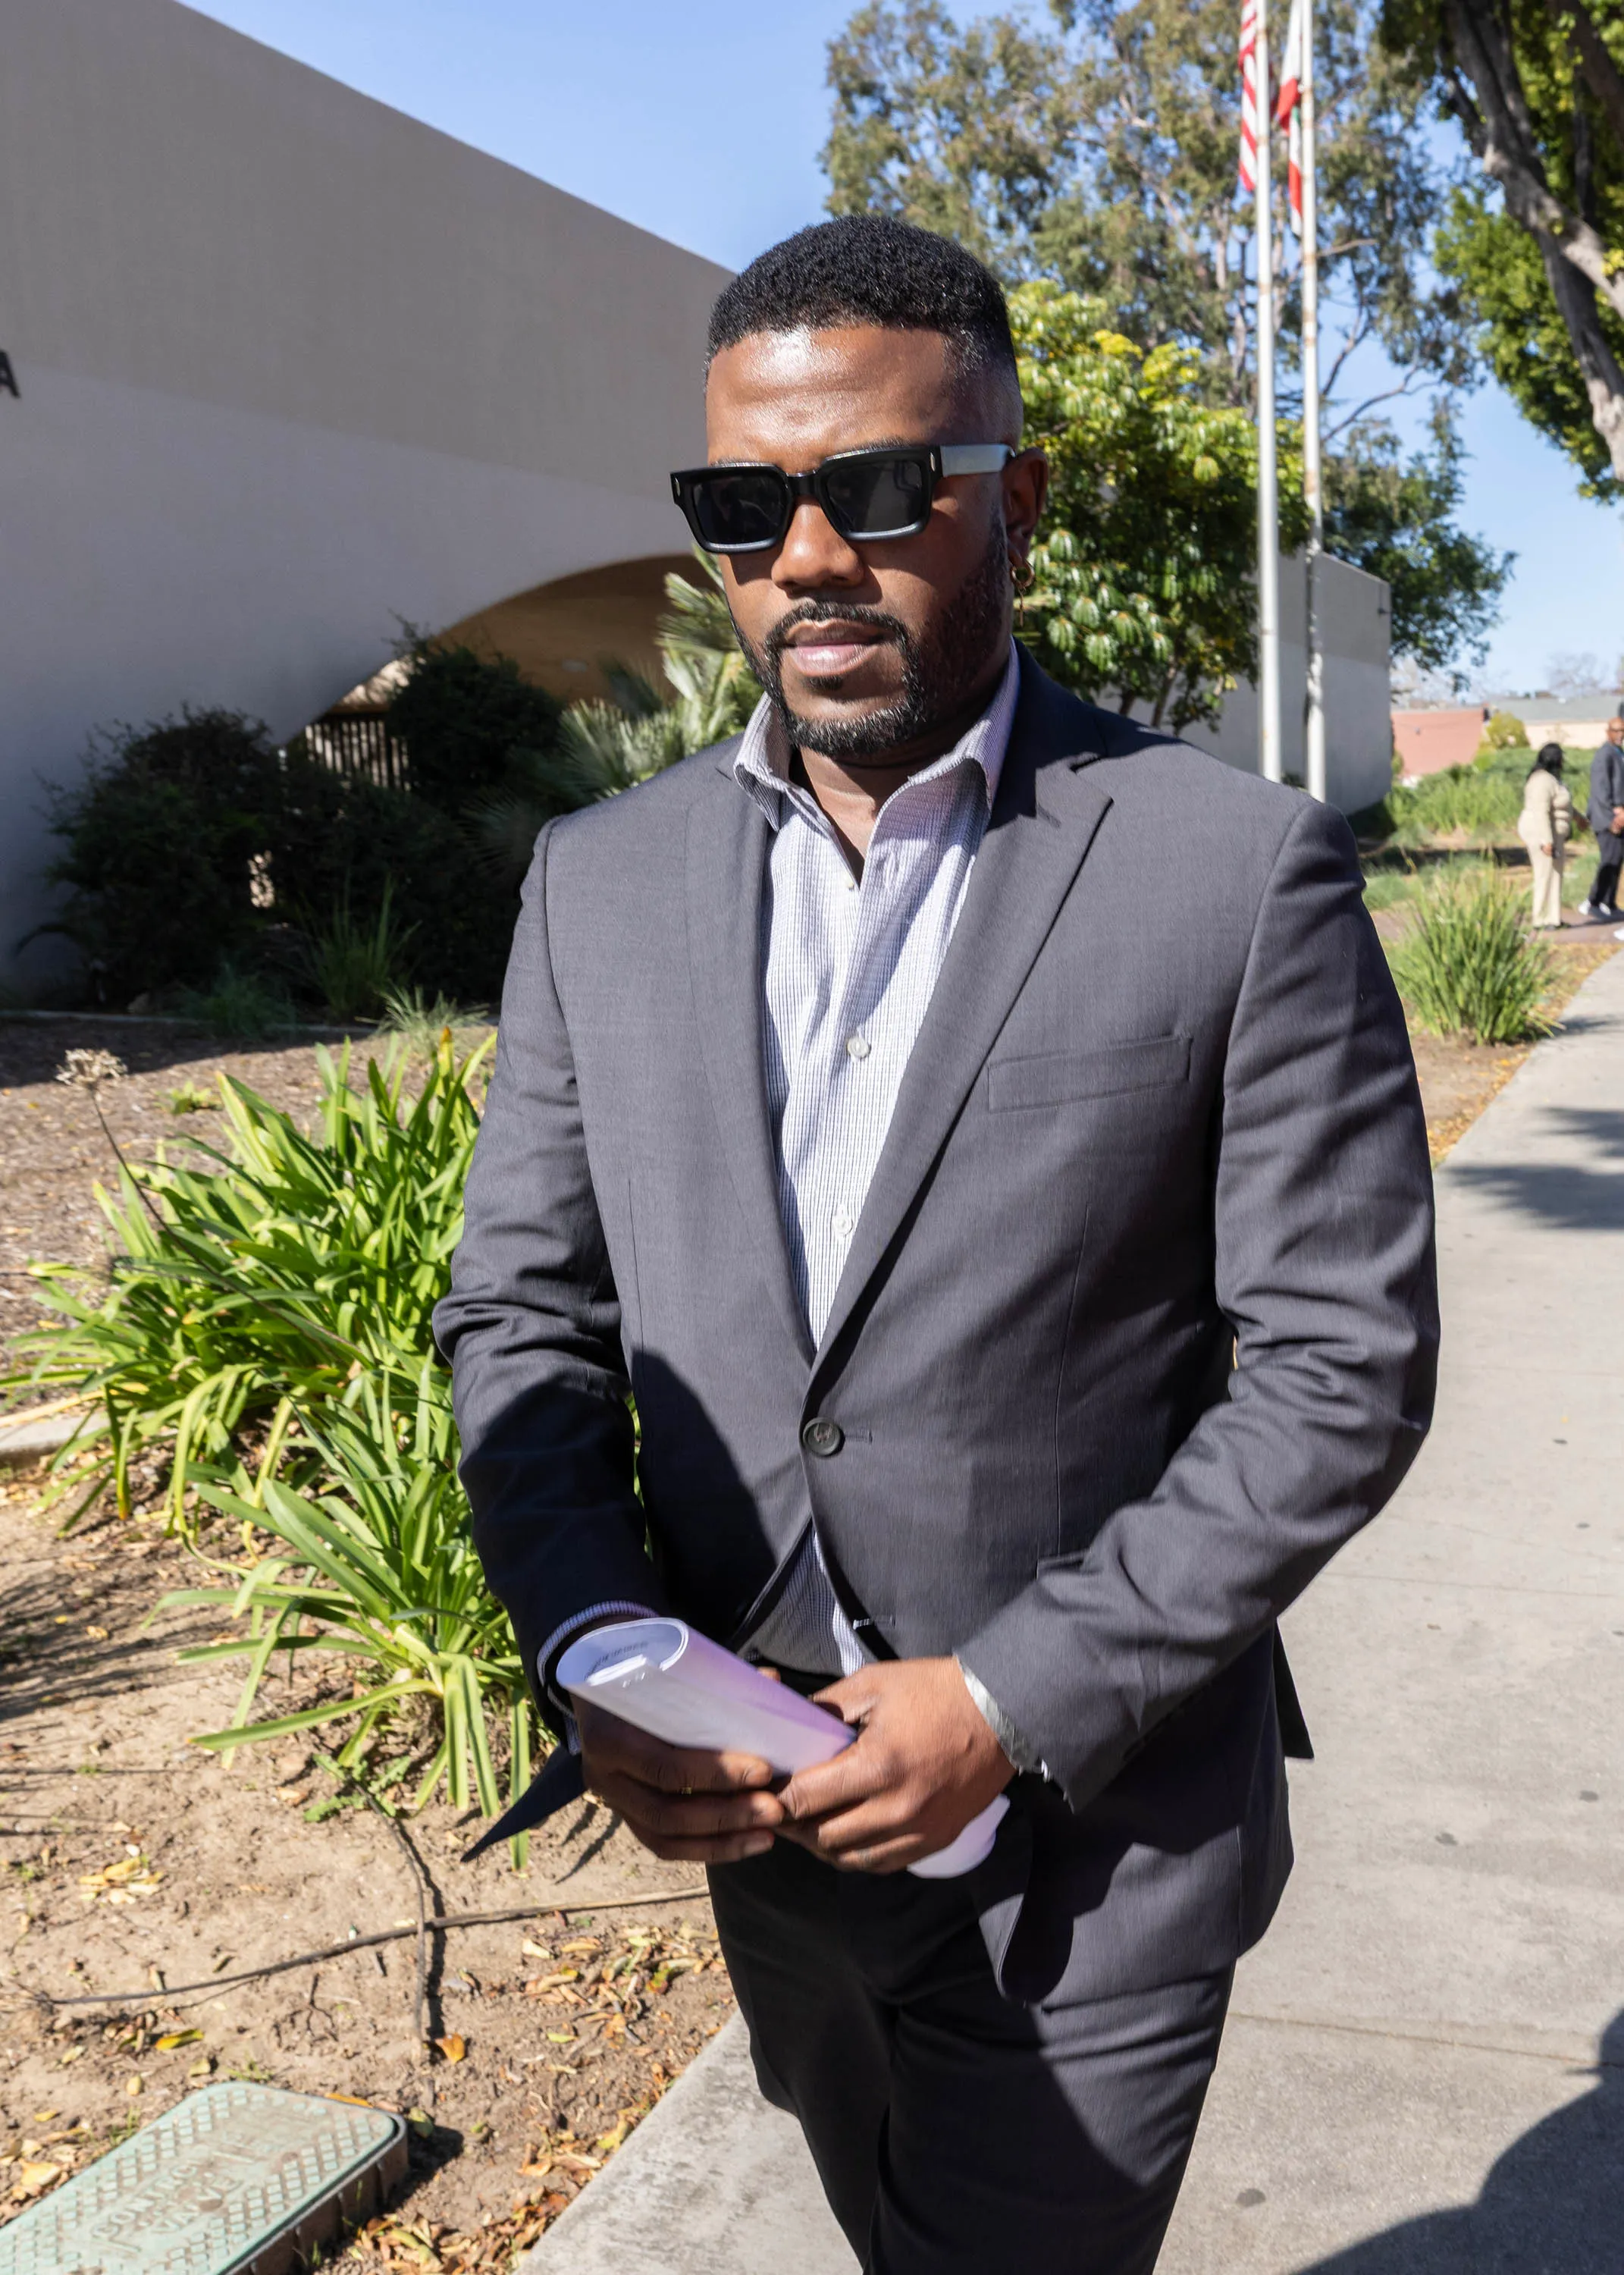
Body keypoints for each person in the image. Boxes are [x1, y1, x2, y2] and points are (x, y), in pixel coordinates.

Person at [435, 216, 1439, 2275]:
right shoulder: (595, 886)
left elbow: (1339, 1362)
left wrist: (1007, 1690)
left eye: (880, 488)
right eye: (743, 506)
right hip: (763, 1829)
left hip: (1097, 1840)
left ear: (1016, 498)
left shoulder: (1229, 871)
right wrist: (594, 1645)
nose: (807, 556)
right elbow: (522, 1315)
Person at [1519, 742, 1573, 929]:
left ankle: (1553, 918)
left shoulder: (1552, 779)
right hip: (1540, 831)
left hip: (1553, 831)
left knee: (1554, 874)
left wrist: (1578, 818)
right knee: (1544, 874)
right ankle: (1540, 919)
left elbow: (1561, 803)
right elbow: (1540, 811)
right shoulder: (1541, 781)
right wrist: (1546, 841)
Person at [1579, 716, 1624, 918]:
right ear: (1608, 732)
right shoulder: (1604, 755)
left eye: (1623, 731)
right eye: (1616, 731)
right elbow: (1600, 790)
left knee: (1616, 860)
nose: (1620, 735)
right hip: (1607, 818)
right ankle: (1592, 902)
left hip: (1619, 816)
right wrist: (1611, 817)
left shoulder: (1618, 752)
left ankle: (1609, 903)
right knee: (1609, 860)